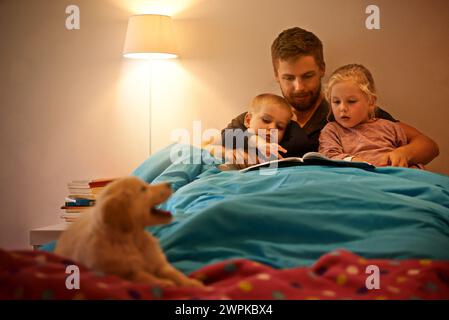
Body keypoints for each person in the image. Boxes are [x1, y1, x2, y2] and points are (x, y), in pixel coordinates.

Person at [222, 27, 439, 167]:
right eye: (288, 78)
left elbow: (428, 146)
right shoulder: (266, 113)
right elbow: (223, 140)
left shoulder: (346, 109)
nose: (298, 87)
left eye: (307, 76)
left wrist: (404, 153)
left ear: (322, 69)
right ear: (276, 75)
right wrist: (250, 147)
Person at [319, 64, 422, 168]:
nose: (342, 108)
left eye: (351, 101)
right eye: (336, 102)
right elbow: (328, 155)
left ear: (371, 102)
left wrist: (403, 158)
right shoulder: (332, 131)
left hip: (393, 175)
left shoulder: (389, 127)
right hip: (357, 176)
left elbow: (412, 157)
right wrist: (352, 160)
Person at [206, 93, 292, 169]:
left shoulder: (280, 148)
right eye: (266, 120)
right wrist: (260, 142)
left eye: (280, 127)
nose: (273, 128)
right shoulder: (238, 133)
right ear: (248, 120)